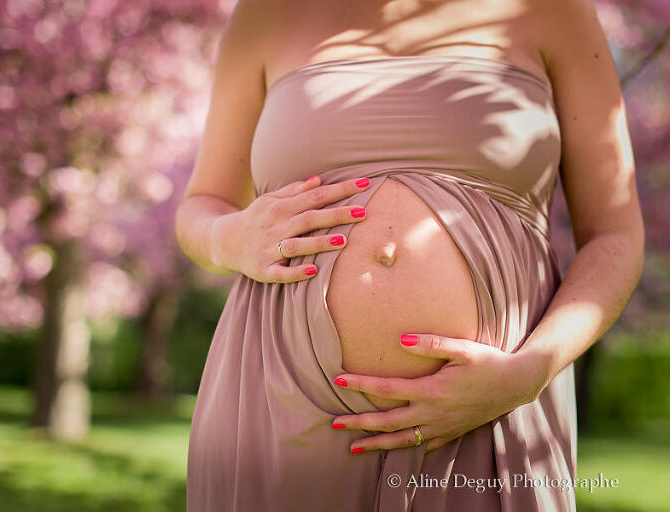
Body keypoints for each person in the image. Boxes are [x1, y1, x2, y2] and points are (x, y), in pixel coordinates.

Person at [174, 0, 644, 510]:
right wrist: (230, 238)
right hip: (280, 403)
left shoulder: (554, 10)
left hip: (487, 412)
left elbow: (615, 235)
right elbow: (202, 205)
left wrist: (530, 371)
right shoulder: (265, 13)